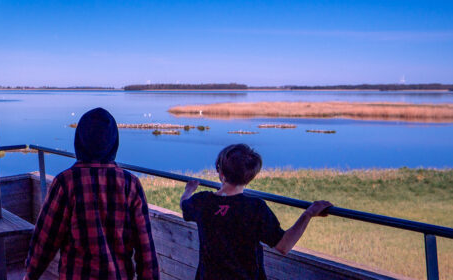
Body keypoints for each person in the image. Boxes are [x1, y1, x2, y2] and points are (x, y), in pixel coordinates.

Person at [25, 108, 159, 280]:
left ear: (79, 141)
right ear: (113, 143)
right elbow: (146, 251)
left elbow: (45, 241)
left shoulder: (66, 182)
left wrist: (30, 274)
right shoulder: (130, 184)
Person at [180, 144, 333, 280]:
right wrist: (308, 214)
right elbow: (284, 246)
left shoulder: (202, 201)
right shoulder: (255, 208)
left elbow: (184, 206)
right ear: (250, 177)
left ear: (221, 174)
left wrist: (189, 190)